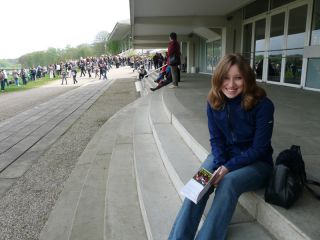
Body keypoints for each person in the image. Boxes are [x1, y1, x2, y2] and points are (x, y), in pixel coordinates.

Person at [169, 54, 274, 240]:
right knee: (201, 179)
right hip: (225, 155)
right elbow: (216, 140)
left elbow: (259, 149)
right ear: (218, 78)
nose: (231, 84)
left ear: (247, 78)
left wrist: (227, 168)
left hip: (257, 163)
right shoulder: (213, 102)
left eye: (238, 78)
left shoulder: (263, 105)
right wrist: (218, 164)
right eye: (226, 77)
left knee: (228, 182)